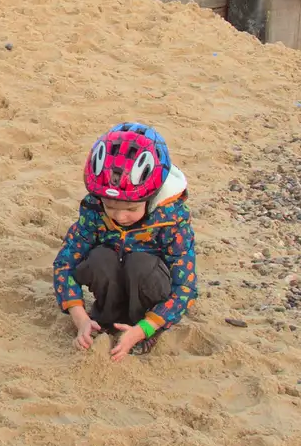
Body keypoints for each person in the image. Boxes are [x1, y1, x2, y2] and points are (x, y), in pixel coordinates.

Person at [51, 123, 196, 360]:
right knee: (100, 258)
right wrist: (80, 318)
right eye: (110, 207)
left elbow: (185, 289)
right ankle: (105, 322)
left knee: (141, 264)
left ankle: (144, 332)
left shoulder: (173, 220)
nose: (120, 216)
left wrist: (144, 329)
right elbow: (64, 264)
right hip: (110, 287)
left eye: (131, 208)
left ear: (151, 197)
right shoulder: (94, 210)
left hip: (149, 299)